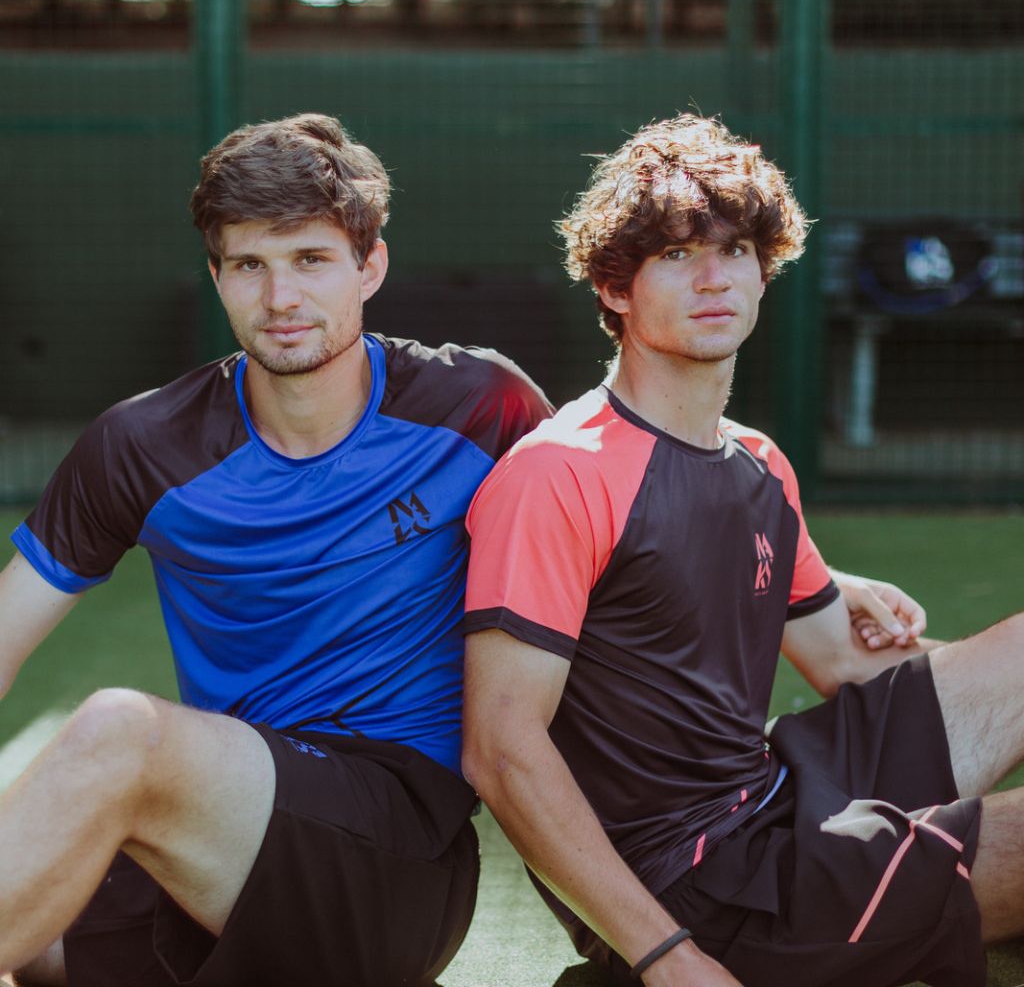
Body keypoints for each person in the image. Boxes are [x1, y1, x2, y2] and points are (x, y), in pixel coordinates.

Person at [461, 113, 1024, 987]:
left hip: (777, 787)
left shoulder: (758, 462)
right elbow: (501, 749)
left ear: (766, 269)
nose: (713, 278)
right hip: (697, 882)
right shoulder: (557, 475)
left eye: (734, 251)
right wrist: (665, 956)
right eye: (677, 256)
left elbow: (843, 657)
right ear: (615, 287)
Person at [0, 112, 551, 987]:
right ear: (216, 276)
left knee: (119, 734)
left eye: (309, 260)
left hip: (400, 849)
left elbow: (618, 518)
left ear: (369, 266)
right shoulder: (144, 445)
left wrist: (812, 584)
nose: (280, 299)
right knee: (35, 944)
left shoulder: (480, 406)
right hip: (224, 831)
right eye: (249, 265)